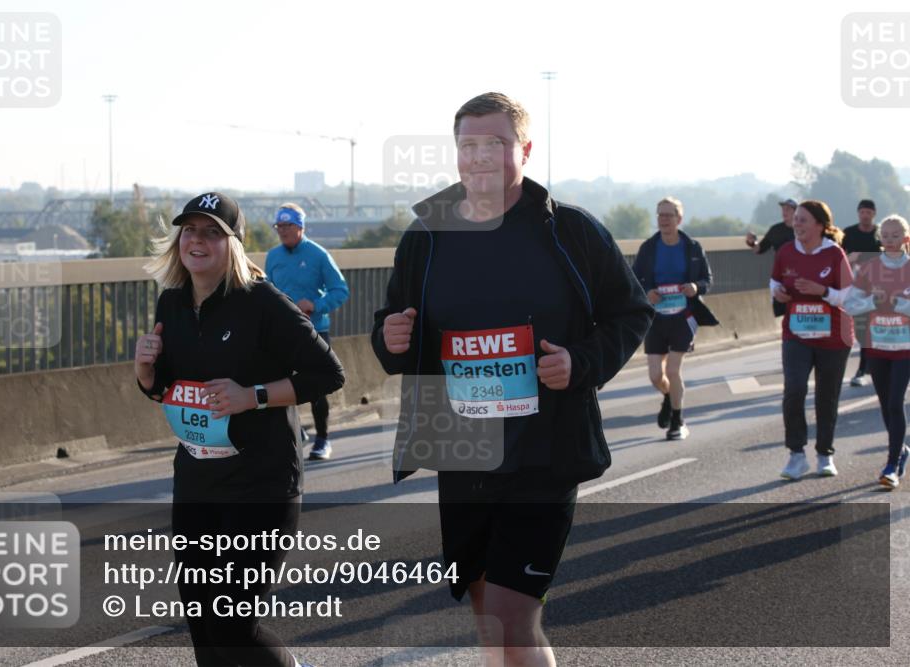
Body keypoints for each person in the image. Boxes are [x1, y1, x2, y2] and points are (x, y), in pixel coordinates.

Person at [371, 92, 653, 667]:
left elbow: (631, 312)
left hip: (545, 446)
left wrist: (581, 363)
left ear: (523, 149)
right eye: (467, 145)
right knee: (484, 606)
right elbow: (393, 323)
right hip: (462, 447)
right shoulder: (426, 235)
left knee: (509, 612)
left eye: (494, 144)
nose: (478, 158)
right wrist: (388, 338)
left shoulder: (569, 231)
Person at [135, 192, 344, 667]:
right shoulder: (171, 302)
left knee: (231, 623)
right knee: (202, 622)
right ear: (178, 240)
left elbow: (328, 374)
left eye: (213, 231)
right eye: (190, 230)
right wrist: (146, 372)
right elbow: (166, 388)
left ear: (234, 244)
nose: (199, 240)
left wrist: (254, 396)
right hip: (197, 482)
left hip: (261, 483)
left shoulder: (262, 302)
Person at [771, 200, 853, 480]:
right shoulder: (785, 251)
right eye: (795, 220)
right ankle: (796, 455)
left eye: (803, 220)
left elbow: (848, 296)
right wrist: (778, 292)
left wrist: (823, 291)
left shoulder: (834, 254)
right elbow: (774, 282)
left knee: (826, 396)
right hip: (796, 333)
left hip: (832, 337)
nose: (797, 225)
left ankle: (824, 454)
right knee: (793, 391)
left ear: (820, 225)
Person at [265, 203, 350, 461]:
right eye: (279, 226)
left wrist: (315, 305)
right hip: (282, 333)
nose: (282, 231)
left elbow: (340, 290)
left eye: (287, 226)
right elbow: (267, 291)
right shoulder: (273, 256)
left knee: (316, 387)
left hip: (315, 331)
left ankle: (322, 439)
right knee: (276, 384)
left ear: (300, 227)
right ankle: (295, 432)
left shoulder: (318, 254)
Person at [632, 197, 718, 441]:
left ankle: (678, 421)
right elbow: (635, 280)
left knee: (673, 368)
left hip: (684, 315)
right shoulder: (649, 248)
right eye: (660, 215)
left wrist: (694, 286)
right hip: (657, 318)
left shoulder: (692, 247)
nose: (664, 220)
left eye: (669, 215)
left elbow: (707, 280)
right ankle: (670, 398)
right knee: (655, 376)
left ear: (679, 219)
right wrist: (647, 293)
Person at [845, 214, 910, 488]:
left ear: (906, 238)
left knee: (896, 403)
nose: (890, 241)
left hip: (906, 347)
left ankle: (891, 464)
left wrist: (899, 304)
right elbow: (849, 304)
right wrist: (873, 299)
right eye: (886, 236)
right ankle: (903, 450)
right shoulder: (870, 268)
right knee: (885, 405)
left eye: (896, 236)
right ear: (880, 239)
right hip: (877, 345)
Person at [842, 199, 883, 386]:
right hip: (856, 290)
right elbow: (837, 259)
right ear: (858, 213)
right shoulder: (848, 233)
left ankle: (864, 368)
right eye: (862, 212)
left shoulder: (881, 234)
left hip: (880, 289)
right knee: (861, 330)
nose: (865, 215)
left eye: (868, 212)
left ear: (874, 214)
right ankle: (868, 366)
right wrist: (849, 259)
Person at [746, 198, 798, 317]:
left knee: (797, 308)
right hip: (781, 276)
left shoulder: (802, 229)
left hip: (800, 275)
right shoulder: (775, 230)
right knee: (783, 311)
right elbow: (759, 249)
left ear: (796, 211)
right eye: (783, 209)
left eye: (788, 209)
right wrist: (751, 242)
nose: (784, 212)